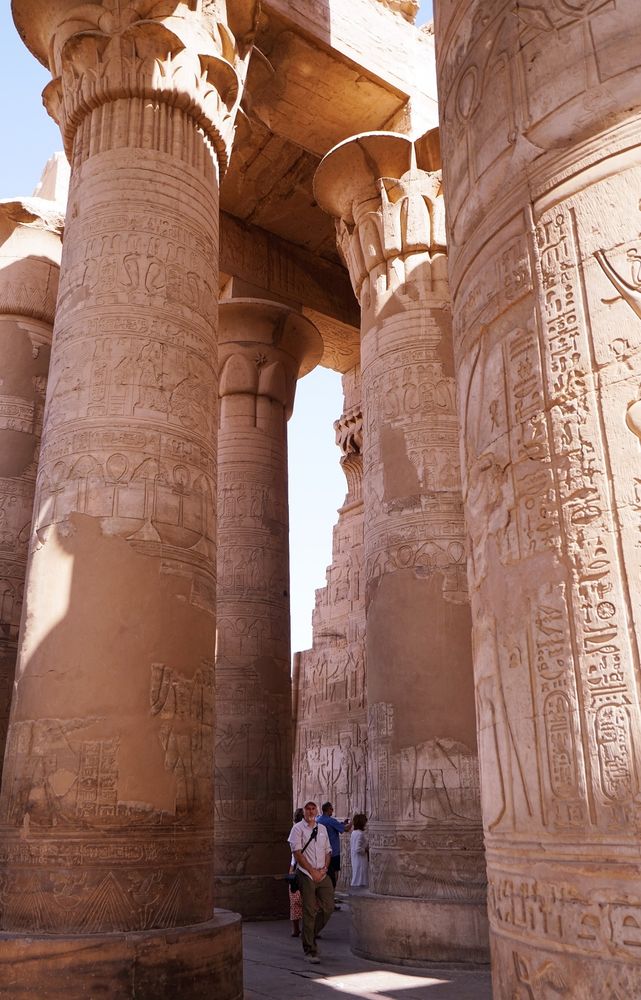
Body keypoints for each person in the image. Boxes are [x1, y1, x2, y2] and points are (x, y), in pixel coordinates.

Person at [288, 800, 334, 963]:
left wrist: (324, 869)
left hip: (322, 872)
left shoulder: (322, 828)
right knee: (309, 910)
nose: (310, 811)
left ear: (316, 811)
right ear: (304, 811)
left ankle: (309, 933)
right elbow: (297, 853)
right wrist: (312, 871)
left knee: (328, 907)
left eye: (313, 808)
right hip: (306, 873)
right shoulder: (297, 829)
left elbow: (328, 851)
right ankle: (310, 950)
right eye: (308, 809)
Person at [317, 801, 351, 904]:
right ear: (328, 810)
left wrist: (342, 824)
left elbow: (338, 826)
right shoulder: (330, 821)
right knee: (333, 875)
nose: (333, 811)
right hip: (333, 852)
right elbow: (345, 829)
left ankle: (324, 898)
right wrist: (353, 821)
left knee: (324, 874)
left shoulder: (318, 819)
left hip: (322, 852)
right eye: (331, 809)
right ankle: (330, 898)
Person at [288, 808, 304, 937]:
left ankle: (295, 928)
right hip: (303, 868)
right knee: (309, 900)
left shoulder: (294, 831)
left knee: (295, 900)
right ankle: (309, 928)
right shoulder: (304, 831)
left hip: (294, 867)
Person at [350, 813, 369, 887]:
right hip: (360, 860)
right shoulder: (360, 834)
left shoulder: (354, 833)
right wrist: (366, 849)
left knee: (357, 877)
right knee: (360, 879)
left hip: (356, 859)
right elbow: (357, 849)